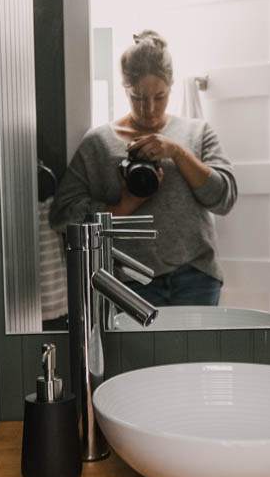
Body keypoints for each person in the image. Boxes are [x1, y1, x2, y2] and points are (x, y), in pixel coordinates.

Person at [50, 30, 237, 307]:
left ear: (171, 87)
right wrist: (125, 204)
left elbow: (224, 199)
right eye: (138, 97)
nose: (149, 108)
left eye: (159, 96)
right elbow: (63, 216)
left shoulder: (196, 133)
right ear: (125, 88)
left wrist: (176, 151)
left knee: (196, 353)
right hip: (127, 281)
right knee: (137, 353)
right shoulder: (98, 143)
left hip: (195, 276)